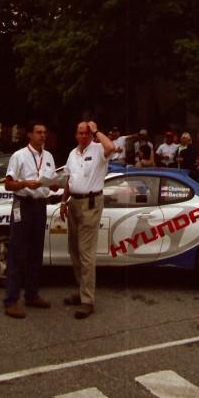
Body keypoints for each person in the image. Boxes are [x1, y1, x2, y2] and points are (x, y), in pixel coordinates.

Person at [60, 118, 115, 319]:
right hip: (74, 202)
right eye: (80, 133)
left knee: (86, 253)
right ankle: (81, 290)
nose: (83, 136)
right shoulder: (72, 154)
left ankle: (88, 300)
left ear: (91, 134)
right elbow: (69, 179)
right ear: (76, 135)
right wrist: (63, 201)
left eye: (86, 133)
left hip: (91, 204)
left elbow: (112, 146)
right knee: (73, 250)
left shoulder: (99, 149)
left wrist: (97, 130)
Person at [3, 120, 58, 319]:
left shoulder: (49, 157)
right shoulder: (19, 156)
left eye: (44, 132)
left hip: (40, 205)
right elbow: (8, 185)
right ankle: (11, 299)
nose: (42, 135)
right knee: (17, 251)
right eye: (38, 132)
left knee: (36, 251)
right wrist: (25, 183)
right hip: (23, 204)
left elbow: (50, 181)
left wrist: (53, 185)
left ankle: (32, 294)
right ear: (29, 135)